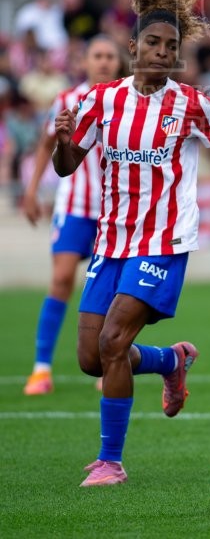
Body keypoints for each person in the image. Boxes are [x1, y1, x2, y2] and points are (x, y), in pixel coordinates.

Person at [52, 0, 210, 487]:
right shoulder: (100, 101)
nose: (160, 52)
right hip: (112, 241)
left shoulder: (189, 103)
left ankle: (111, 461)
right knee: (92, 359)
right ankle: (171, 360)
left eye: (170, 46)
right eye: (152, 42)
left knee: (112, 338)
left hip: (165, 242)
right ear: (133, 46)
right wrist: (64, 142)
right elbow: (67, 167)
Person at [22, 35, 123, 395]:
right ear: (85, 61)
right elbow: (46, 144)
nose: (104, 62)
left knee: (111, 294)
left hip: (113, 212)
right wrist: (32, 191)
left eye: (110, 56)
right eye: (97, 55)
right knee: (62, 279)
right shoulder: (66, 100)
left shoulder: (125, 100)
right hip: (75, 208)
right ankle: (41, 368)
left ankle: (105, 364)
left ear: (118, 61)